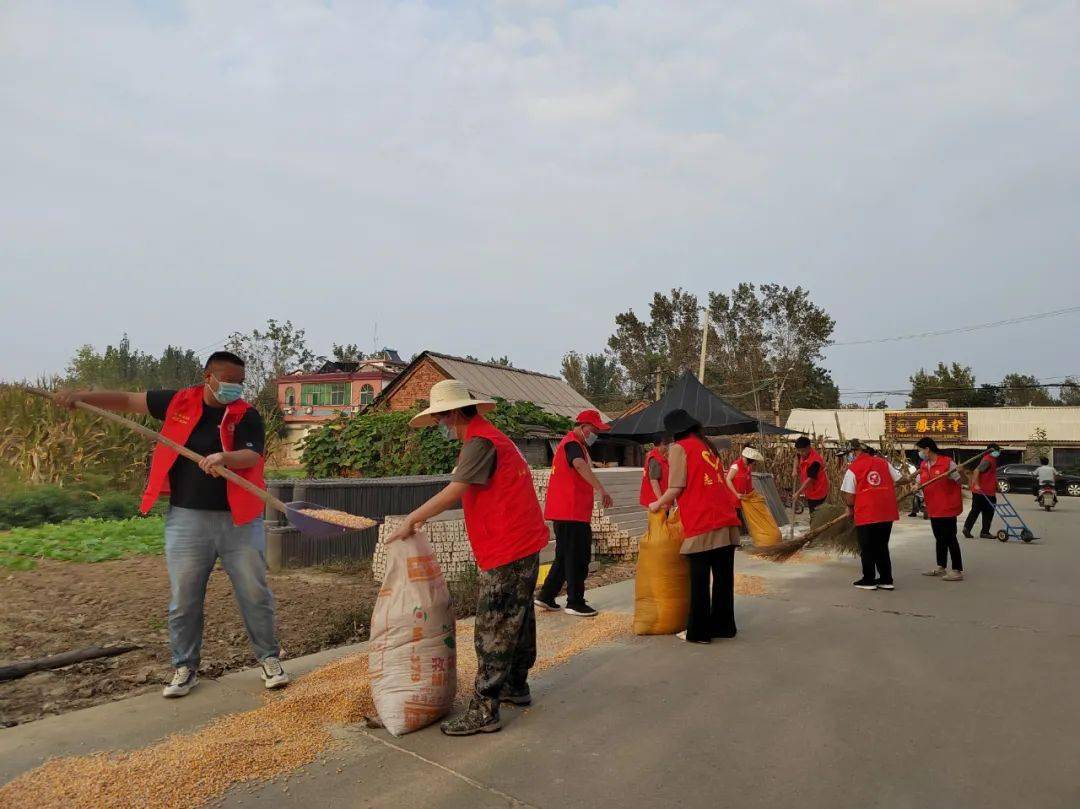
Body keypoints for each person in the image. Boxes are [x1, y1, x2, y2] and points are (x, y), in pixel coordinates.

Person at [54, 351, 288, 698]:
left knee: (255, 593)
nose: (234, 387)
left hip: (240, 520)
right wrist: (82, 396)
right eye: (227, 380)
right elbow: (128, 400)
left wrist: (224, 458)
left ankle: (269, 659)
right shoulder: (178, 401)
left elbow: (251, 455)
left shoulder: (246, 415)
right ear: (207, 377)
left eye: (239, 381)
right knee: (184, 598)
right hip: (187, 519)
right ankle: (185, 667)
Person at [385, 379, 549, 736]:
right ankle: (515, 686)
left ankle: (485, 710)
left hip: (508, 545)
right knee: (518, 619)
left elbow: (455, 490)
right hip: (523, 539)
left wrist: (413, 519)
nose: (441, 426)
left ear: (456, 413)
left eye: (442, 419)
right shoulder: (492, 437)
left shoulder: (479, 442)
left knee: (493, 627)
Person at [647, 409, 742, 644]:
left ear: (674, 432)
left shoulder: (680, 448)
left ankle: (699, 632)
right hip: (726, 519)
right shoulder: (706, 445)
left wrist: (656, 503)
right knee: (723, 579)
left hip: (703, 520)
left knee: (699, 581)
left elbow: (676, 487)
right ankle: (724, 626)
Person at [535, 409, 614, 618]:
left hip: (567, 512)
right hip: (571, 512)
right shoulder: (572, 444)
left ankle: (546, 595)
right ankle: (575, 601)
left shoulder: (573, 445)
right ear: (583, 427)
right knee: (578, 557)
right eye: (594, 430)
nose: (595, 434)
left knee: (563, 556)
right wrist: (601, 488)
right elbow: (578, 465)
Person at [840, 440, 901, 591]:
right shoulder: (883, 463)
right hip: (886, 512)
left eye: (848, 455)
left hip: (866, 512)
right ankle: (886, 579)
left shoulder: (853, 469)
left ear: (854, 452)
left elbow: (849, 496)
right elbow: (900, 479)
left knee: (867, 548)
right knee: (881, 546)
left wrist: (849, 507)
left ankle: (869, 580)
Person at [915, 438, 965, 582]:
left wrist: (959, 473)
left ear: (927, 449)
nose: (919, 453)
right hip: (933, 507)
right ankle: (941, 566)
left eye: (920, 450)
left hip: (947, 507)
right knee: (939, 538)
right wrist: (915, 486)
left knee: (950, 538)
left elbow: (961, 481)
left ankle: (957, 570)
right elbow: (919, 481)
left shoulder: (947, 463)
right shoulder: (924, 465)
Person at [963, 443, 1001, 539]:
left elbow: (992, 474)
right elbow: (976, 471)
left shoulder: (991, 459)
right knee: (988, 511)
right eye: (997, 450)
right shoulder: (987, 460)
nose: (999, 452)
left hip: (986, 490)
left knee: (975, 510)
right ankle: (984, 532)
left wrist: (997, 485)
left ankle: (967, 528)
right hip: (984, 491)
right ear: (992, 451)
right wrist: (976, 484)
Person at [793, 436, 829, 513]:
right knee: (812, 513)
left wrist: (798, 493)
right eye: (799, 451)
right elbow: (796, 457)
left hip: (818, 491)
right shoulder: (802, 453)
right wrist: (794, 470)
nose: (801, 453)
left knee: (815, 515)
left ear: (808, 447)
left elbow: (810, 479)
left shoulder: (815, 461)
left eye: (802, 451)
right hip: (810, 490)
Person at [639, 434, 670, 507]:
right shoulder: (655, 458)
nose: (667, 448)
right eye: (666, 445)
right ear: (662, 443)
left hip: (660, 500)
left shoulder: (660, 456)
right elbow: (654, 481)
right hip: (656, 501)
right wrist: (661, 501)